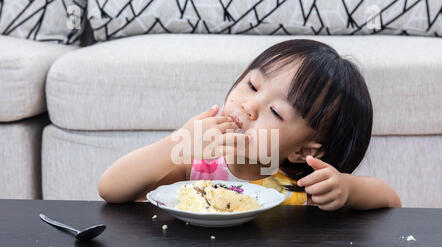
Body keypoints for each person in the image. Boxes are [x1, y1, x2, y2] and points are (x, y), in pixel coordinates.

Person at [98, 39, 401, 210]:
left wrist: (346, 188)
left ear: (302, 151)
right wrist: (176, 144)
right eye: (253, 86)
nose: (249, 106)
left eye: (276, 112)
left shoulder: (297, 188)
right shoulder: (199, 166)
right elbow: (109, 188)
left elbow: (391, 201)